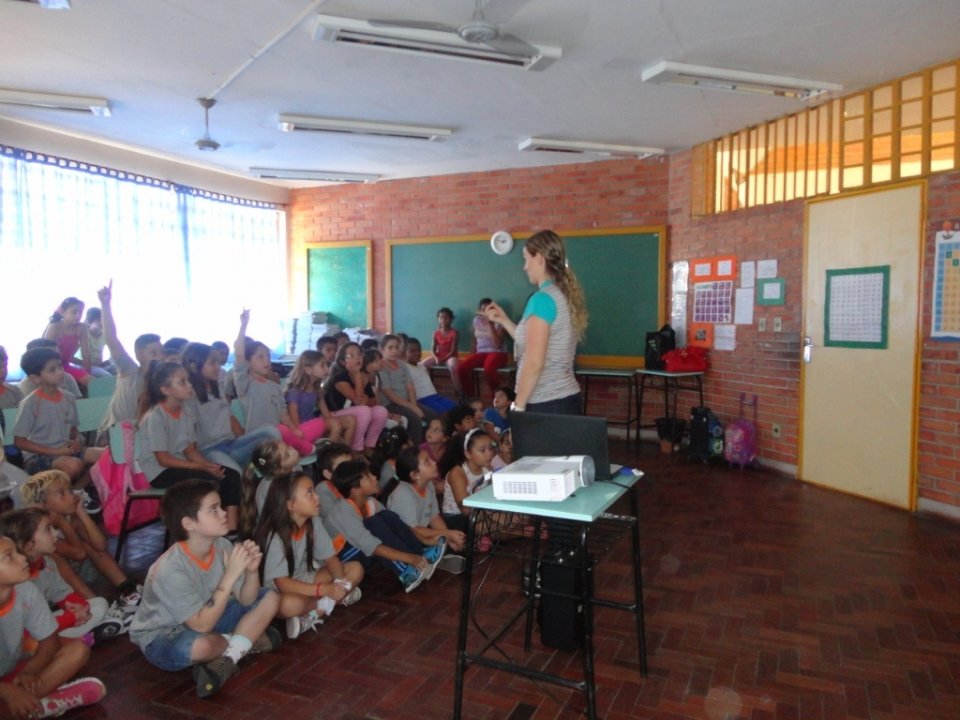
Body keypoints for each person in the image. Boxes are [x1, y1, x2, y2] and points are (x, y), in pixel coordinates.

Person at [129, 480, 281, 698]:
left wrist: (251, 571)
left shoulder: (221, 545)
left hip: (208, 617)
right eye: (213, 510)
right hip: (165, 636)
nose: (223, 513)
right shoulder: (169, 569)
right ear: (189, 523)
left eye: (220, 507)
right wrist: (230, 575)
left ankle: (230, 656)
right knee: (199, 646)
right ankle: (246, 639)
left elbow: (247, 600)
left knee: (270, 597)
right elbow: (201, 625)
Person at [0, 535, 107, 719]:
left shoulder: (26, 590)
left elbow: (50, 640)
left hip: (13, 671)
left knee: (78, 649)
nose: (23, 558)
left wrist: (30, 672)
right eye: (9, 556)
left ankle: (27, 706)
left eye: (17, 552)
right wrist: (8, 692)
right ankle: (42, 705)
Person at [483, 230, 587, 415]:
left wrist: (518, 406)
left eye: (526, 258)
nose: (524, 267)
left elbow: (534, 362)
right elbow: (534, 342)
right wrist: (504, 320)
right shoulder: (561, 294)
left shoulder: (542, 299)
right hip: (563, 400)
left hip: (546, 403)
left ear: (539, 258)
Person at [254, 471, 364, 639]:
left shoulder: (313, 521)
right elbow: (282, 583)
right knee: (287, 605)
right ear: (291, 505)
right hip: (279, 589)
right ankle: (331, 603)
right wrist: (326, 590)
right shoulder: (275, 535)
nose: (317, 497)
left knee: (355, 568)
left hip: (306, 577)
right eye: (309, 493)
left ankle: (314, 613)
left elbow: (330, 558)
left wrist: (340, 583)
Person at [137, 361, 243, 532]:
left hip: (180, 465)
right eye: (182, 382)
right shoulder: (156, 416)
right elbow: (163, 459)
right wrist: (202, 467)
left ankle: (231, 528)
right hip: (160, 472)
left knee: (229, 475)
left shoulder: (185, 411)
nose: (189, 385)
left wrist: (209, 466)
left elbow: (190, 450)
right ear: (165, 390)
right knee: (211, 479)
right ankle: (213, 529)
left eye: (188, 380)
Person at [19, 470, 142, 614]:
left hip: (85, 571)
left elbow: (101, 545)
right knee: (55, 558)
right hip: (59, 586)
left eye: (70, 490)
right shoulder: (42, 533)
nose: (71, 496)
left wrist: (81, 513)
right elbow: (79, 554)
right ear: (43, 504)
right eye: (61, 493)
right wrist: (62, 522)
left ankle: (127, 590)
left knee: (91, 546)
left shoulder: (72, 517)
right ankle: (97, 607)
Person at [0, 508, 127, 644]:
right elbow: (23, 628)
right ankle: (82, 639)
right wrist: (69, 619)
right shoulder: (17, 579)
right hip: (24, 635)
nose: (55, 533)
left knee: (99, 604)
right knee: (33, 640)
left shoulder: (47, 564)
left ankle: (83, 637)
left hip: (47, 624)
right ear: (28, 544)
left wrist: (80, 607)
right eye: (48, 529)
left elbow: (63, 595)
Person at [324, 459, 441, 593]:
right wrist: (409, 558)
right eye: (368, 476)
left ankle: (419, 555)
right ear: (355, 489)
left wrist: (423, 541)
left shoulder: (370, 502)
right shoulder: (343, 512)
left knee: (387, 516)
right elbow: (371, 546)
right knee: (372, 524)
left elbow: (397, 524)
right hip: (341, 559)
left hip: (361, 549)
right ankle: (405, 572)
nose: (374, 477)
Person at [232, 311, 326, 457]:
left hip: (282, 434)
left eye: (268, 357)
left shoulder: (274, 386)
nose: (266, 361)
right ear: (247, 361)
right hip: (261, 437)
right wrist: (243, 325)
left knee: (319, 423)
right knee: (277, 429)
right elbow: (238, 355)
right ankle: (306, 448)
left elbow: (283, 414)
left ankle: (293, 447)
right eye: (260, 357)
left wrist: (294, 430)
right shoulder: (244, 383)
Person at [12, 348, 103, 498]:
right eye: (52, 370)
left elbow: (72, 428)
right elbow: (19, 441)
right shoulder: (31, 403)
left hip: (64, 450)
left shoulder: (68, 398)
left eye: (60, 366)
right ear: (35, 378)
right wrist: (57, 452)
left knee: (106, 454)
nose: (60, 372)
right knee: (73, 465)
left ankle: (76, 492)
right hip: (38, 456)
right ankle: (63, 498)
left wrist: (75, 442)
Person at [180, 342, 281, 474]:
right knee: (237, 473)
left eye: (217, 362)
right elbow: (189, 444)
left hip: (232, 444)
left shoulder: (217, 387)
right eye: (212, 363)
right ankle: (246, 470)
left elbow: (231, 418)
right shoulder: (189, 396)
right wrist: (203, 465)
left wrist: (244, 440)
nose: (218, 366)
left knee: (271, 431)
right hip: (210, 450)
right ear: (194, 367)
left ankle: (257, 470)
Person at [96, 282, 164, 432]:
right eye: (153, 353)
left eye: (161, 353)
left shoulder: (164, 382)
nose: (159, 358)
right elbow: (111, 339)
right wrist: (105, 305)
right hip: (113, 436)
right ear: (139, 354)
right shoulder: (129, 370)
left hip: (144, 438)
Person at [389, 446, 466, 574]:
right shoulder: (403, 494)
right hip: (407, 538)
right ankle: (429, 559)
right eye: (427, 462)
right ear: (415, 475)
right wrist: (446, 534)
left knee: (460, 523)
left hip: (424, 533)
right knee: (418, 542)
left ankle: (437, 555)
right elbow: (413, 529)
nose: (434, 462)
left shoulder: (428, 485)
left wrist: (448, 537)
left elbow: (434, 517)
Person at [322, 343, 388, 454]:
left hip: (354, 412)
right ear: (343, 362)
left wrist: (366, 399)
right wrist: (357, 375)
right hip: (333, 413)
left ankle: (369, 445)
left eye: (359, 354)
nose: (357, 358)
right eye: (351, 356)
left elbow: (373, 401)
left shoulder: (363, 376)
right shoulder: (340, 378)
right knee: (364, 410)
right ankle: (357, 448)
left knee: (381, 411)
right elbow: (358, 402)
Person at [284, 350, 355, 447]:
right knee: (335, 425)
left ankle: (344, 451)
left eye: (327, 365)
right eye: (322, 365)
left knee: (350, 420)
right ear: (308, 370)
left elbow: (327, 415)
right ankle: (326, 456)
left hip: (313, 425)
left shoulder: (317, 390)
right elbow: (295, 422)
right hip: (300, 429)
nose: (327, 369)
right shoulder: (295, 391)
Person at [377, 334, 436, 445]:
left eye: (397, 347)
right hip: (391, 404)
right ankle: (413, 451)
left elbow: (410, 387)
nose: (394, 350)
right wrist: (412, 408)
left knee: (432, 416)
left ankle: (426, 446)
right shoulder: (381, 367)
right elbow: (389, 394)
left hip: (407, 402)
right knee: (415, 419)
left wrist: (414, 405)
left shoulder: (402, 364)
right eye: (390, 348)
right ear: (382, 350)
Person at [237, 440, 303, 538]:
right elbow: (281, 521)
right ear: (278, 470)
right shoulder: (270, 488)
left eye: (288, 447)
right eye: (287, 455)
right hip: (276, 536)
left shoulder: (295, 468)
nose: (293, 451)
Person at [438, 428, 495, 532]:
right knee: (496, 525)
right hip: (456, 518)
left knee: (507, 519)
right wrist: (493, 516)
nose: (489, 453)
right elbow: (465, 509)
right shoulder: (458, 473)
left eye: (490, 448)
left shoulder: (487, 468)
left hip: (479, 511)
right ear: (468, 454)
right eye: (482, 450)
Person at [457, 298, 508, 400]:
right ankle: (471, 398)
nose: (486, 313)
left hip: (498, 353)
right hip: (481, 353)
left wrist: (491, 323)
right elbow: (474, 340)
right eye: (483, 310)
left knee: (488, 368)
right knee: (461, 368)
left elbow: (497, 344)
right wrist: (471, 356)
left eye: (489, 309)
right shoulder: (476, 321)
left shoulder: (501, 321)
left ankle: (496, 395)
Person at [42, 297, 92, 391]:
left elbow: (86, 353)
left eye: (80, 313)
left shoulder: (81, 328)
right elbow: (45, 354)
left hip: (65, 366)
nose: (78, 315)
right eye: (74, 312)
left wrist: (88, 372)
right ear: (62, 312)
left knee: (92, 382)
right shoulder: (54, 327)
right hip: (51, 367)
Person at [404, 338, 456, 415]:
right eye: (412, 351)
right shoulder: (404, 368)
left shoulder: (421, 366)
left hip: (435, 396)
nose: (416, 353)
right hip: (422, 399)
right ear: (404, 352)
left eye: (418, 350)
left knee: (456, 408)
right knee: (444, 413)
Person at [420, 307, 461, 396]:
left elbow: (453, 351)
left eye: (446, 317)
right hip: (439, 356)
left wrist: (442, 359)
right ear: (438, 319)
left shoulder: (454, 332)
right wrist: (436, 357)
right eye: (441, 317)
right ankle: (427, 390)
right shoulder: (436, 333)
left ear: (451, 319)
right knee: (421, 366)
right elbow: (433, 349)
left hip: (450, 356)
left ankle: (459, 391)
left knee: (453, 367)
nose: (443, 320)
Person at [314, 442, 353, 521]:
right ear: (328, 474)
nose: (352, 470)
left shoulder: (355, 481)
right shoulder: (322, 490)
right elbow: (340, 521)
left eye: (352, 464)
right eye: (344, 467)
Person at [81, 307, 113, 377]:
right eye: (98, 320)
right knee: (107, 377)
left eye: (103, 320)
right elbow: (75, 357)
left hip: (98, 366)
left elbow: (102, 352)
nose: (101, 323)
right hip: (84, 365)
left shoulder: (104, 335)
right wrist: (90, 364)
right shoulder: (84, 334)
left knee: (117, 370)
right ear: (89, 322)